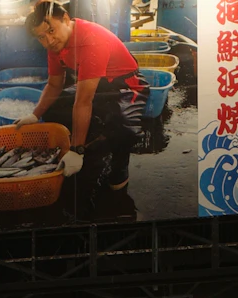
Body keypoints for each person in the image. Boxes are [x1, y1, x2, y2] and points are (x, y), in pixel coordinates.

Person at [19, 0, 148, 192]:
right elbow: (54, 84)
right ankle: (95, 140)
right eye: (41, 37)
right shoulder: (55, 45)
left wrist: (76, 150)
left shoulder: (90, 39)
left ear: (65, 19)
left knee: (122, 125)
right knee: (54, 108)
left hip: (126, 85)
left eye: (51, 31)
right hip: (97, 83)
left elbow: (83, 102)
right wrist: (36, 114)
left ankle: (118, 165)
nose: (48, 41)